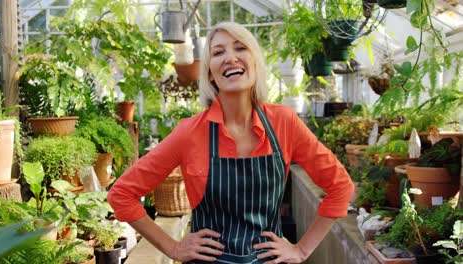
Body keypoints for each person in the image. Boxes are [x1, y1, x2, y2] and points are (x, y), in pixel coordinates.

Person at [107, 21, 354, 263]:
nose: (230, 57)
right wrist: (174, 248)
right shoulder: (189, 133)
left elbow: (340, 186)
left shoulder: (284, 123)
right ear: (210, 73)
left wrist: (301, 250)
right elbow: (122, 194)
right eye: (218, 52)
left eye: (240, 48)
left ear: (255, 62)